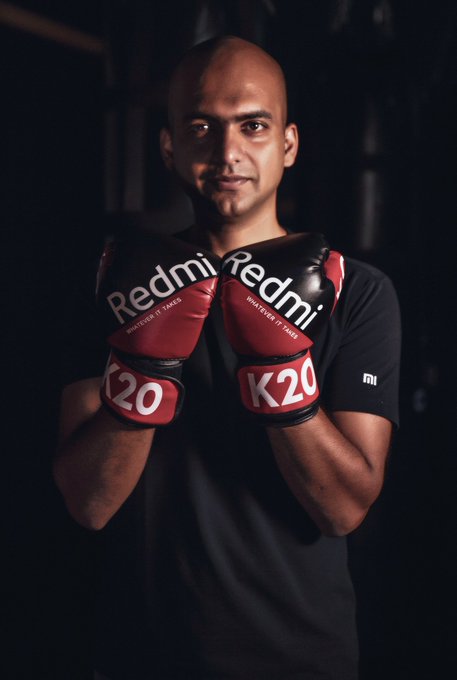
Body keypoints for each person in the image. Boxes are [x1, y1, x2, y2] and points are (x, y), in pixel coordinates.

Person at [54, 35, 401, 680]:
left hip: (299, 660)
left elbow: (344, 508)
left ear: (289, 144)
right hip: (142, 656)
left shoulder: (356, 292)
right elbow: (88, 504)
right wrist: (143, 369)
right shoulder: (115, 285)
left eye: (253, 125)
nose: (227, 151)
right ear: (169, 147)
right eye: (201, 127)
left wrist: (282, 372)